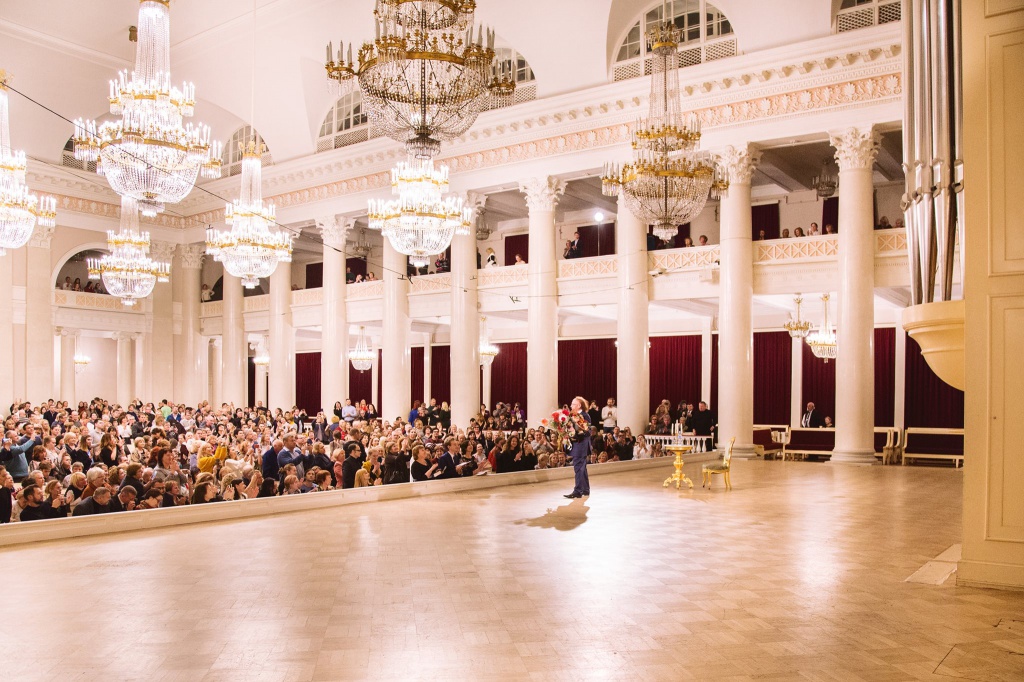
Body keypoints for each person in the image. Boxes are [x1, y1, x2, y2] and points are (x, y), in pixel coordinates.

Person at [564, 396, 592, 499]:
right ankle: (585, 489)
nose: (571, 406)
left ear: (579, 405)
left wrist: (574, 432)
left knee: (578, 468)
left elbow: (587, 432)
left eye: (573, 404)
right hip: (578, 445)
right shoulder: (574, 415)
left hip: (581, 446)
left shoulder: (584, 415)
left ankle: (578, 491)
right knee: (582, 468)